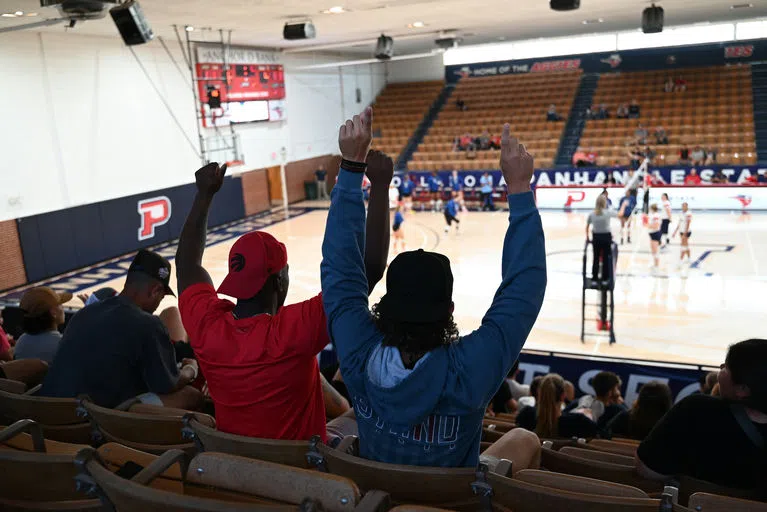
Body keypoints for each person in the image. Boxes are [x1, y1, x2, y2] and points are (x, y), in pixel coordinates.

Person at [321, 112, 546, 469]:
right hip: (453, 498)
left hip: (375, 489)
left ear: (384, 305)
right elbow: (524, 290)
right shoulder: (471, 367)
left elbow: (341, 273)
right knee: (524, 438)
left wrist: (350, 169)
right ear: (450, 307)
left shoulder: (357, 351)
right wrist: (519, 189)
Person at [175, 155, 389, 441]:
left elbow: (187, 265)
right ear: (279, 281)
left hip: (234, 466)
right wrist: (381, 185)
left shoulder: (207, 326)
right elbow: (368, 271)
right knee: (358, 415)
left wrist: (203, 195)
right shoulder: (293, 331)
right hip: (303, 471)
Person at [40, 250, 202, 410]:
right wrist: (190, 370)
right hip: (92, 423)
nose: (159, 302)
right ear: (155, 291)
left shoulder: (84, 313)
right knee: (191, 395)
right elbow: (167, 385)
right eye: (161, 297)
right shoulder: (148, 323)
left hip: (52, 412)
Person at [636, 339, 767, 489]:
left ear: (742, 389)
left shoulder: (695, 410)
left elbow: (647, 470)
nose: (721, 367)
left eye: (726, 367)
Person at [517, 374, 598, 439]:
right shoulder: (579, 422)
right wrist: (588, 416)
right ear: (563, 396)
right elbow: (598, 434)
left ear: (539, 394)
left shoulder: (526, 414)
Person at [13, 287, 70, 365]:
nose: (63, 307)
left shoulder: (21, 342)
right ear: (53, 313)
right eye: (60, 304)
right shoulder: (63, 344)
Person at [606, 381, 672, 440]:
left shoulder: (624, 417)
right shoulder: (671, 426)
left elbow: (604, 434)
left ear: (640, 398)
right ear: (666, 402)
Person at [586, 195, 617, 284]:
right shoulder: (607, 212)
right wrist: (623, 206)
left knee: (595, 258)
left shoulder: (592, 214)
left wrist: (587, 236)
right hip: (606, 237)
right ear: (605, 203)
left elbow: (587, 226)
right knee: (606, 258)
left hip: (596, 237)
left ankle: (594, 279)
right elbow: (620, 214)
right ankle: (605, 279)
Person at [672, 202, 693, 267]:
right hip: (681, 231)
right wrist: (675, 231)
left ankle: (680, 260)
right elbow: (679, 223)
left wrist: (685, 233)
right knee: (686, 245)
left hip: (686, 232)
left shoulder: (689, 214)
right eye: (682, 206)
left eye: (684, 206)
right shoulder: (680, 213)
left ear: (687, 206)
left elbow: (688, 223)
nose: (683, 207)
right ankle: (689, 258)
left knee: (683, 246)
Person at [648, 204, 662, 271]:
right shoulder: (653, 215)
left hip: (655, 233)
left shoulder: (656, 215)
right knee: (653, 250)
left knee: (656, 251)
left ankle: (657, 266)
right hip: (652, 233)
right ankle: (654, 264)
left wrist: (648, 226)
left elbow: (656, 225)